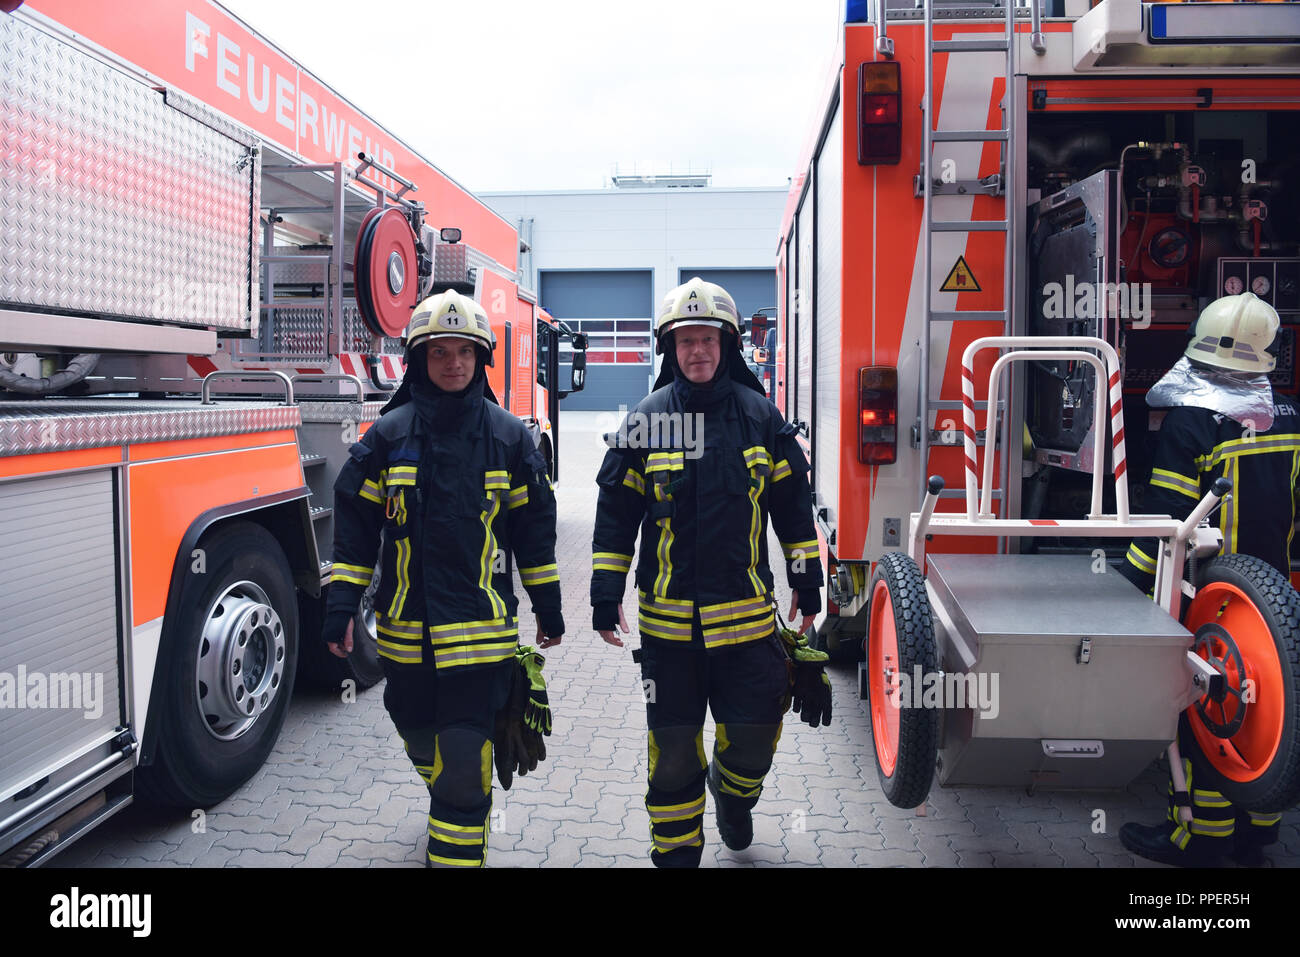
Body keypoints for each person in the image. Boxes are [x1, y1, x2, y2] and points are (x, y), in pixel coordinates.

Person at [592, 276, 829, 868]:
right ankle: (676, 856)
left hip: (748, 627)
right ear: (669, 349)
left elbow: (794, 511)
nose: (697, 351)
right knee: (672, 753)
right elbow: (615, 515)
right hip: (668, 633)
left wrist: (806, 581)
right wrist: (603, 593)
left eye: (708, 340)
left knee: (752, 743)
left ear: (727, 345)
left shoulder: (761, 419)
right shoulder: (644, 423)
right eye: (685, 341)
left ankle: (733, 793)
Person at [322, 289, 564, 867]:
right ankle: (459, 793)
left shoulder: (511, 439)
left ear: (482, 359)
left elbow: (535, 535)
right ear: (419, 361)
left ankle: (459, 831)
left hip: (482, 640)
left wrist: (548, 609)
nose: (453, 363)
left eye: (464, 352)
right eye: (439, 353)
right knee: (416, 732)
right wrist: (340, 608)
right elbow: (354, 533)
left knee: (461, 758)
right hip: (406, 640)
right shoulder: (387, 436)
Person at [1118, 291, 1299, 867]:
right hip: (1274, 601)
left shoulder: (1191, 424)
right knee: (1270, 711)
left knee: (1204, 712)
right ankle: (1258, 832)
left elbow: (1167, 525)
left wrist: (1130, 588)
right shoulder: (1293, 415)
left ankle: (1201, 835)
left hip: (1210, 597)